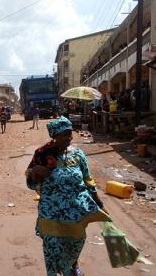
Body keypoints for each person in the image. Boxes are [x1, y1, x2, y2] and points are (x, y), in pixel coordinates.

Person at [25, 116, 110, 276]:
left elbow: (88, 180)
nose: (69, 137)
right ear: (54, 136)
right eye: (64, 134)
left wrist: (99, 203)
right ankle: (54, 272)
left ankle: (70, 265)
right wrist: (35, 171)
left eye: (70, 133)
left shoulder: (78, 154)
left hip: (75, 211)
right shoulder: (42, 154)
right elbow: (31, 184)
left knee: (75, 242)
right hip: (50, 211)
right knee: (52, 245)